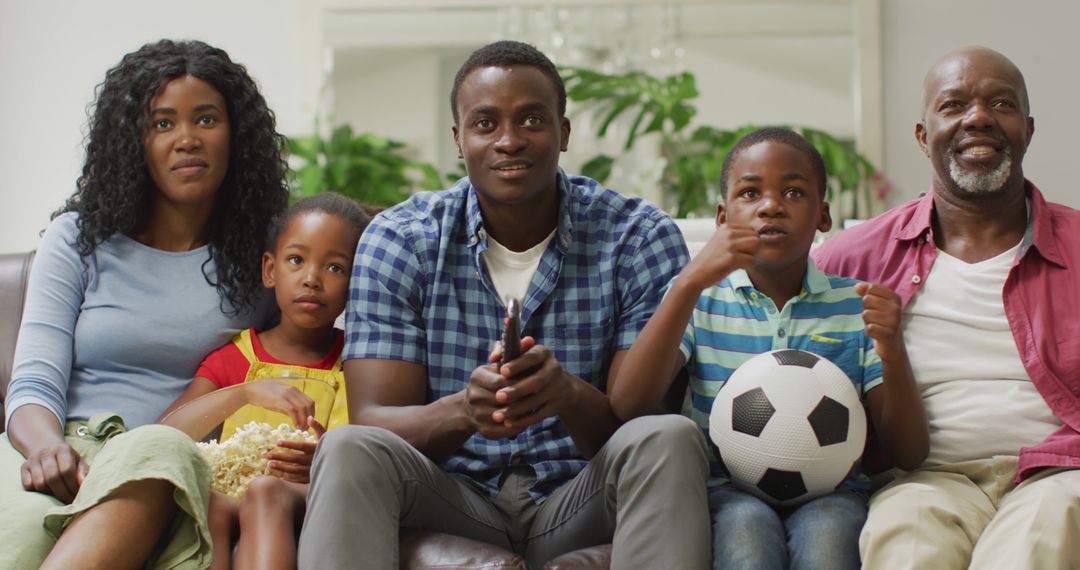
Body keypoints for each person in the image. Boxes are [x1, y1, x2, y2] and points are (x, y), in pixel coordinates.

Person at [297, 40, 710, 568]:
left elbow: (637, 422)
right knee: (349, 447)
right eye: (486, 123)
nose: (509, 141)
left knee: (669, 435)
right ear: (459, 139)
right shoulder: (402, 238)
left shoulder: (637, 235)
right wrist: (464, 411)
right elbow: (376, 420)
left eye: (532, 120)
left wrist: (565, 394)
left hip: (579, 495)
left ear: (563, 132)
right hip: (454, 495)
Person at [0, 39, 289, 569]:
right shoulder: (77, 239)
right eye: (162, 123)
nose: (186, 139)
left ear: (236, 136)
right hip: (66, 453)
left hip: (176, 463)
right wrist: (45, 448)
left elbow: (299, 358)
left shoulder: (267, 253)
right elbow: (35, 379)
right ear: (133, 140)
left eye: (206, 119)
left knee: (159, 448)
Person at [609, 127, 928, 569]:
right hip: (727, 489)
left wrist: (891, 349)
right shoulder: (700, 297)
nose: (772, 205)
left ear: (823, 216)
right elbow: (629, 404)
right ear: (723, 217)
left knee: (829, 536)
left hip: (833, 491)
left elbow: (909, 452)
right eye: (750, 193)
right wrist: (688, 282)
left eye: (794, 192)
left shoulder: (854, 304)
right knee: (747, 533)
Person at [812, 46, 1080, 569]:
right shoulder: (851, 259)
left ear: (1026, 129)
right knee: (905, 539)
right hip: (924, 480)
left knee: (1041, 533)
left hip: (1060, 474)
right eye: (954, 105)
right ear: (922, 134)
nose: (978, 117)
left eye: (1000, 104)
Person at [160, 192, 370, 570]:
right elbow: (165, 434)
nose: (312, 279)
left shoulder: (360, 363)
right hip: (233, 496)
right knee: (210, 501)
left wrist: (326, 460)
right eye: (296, 260)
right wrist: (243, 392)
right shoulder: (237, 358)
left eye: (335, 268)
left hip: (317, 496)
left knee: (266, 491)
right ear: (270, 270)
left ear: (357, 282)